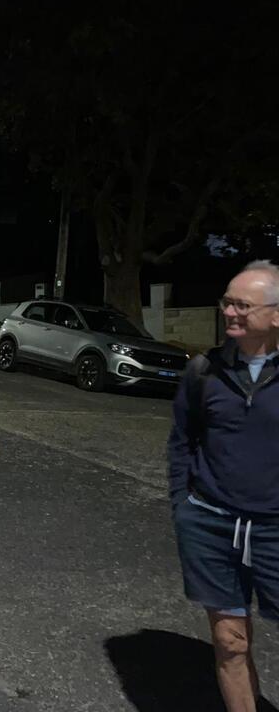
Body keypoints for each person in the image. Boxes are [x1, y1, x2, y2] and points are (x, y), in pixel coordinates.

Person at [168, 260, 279, 712]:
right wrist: (183, 506)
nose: (229, 312)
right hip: (211, 525)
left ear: (276, 315)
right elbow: (182, 442)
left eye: (242, 305)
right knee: (230, 642)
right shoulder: (203, 371)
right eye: (227, 302)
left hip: (275, 529)